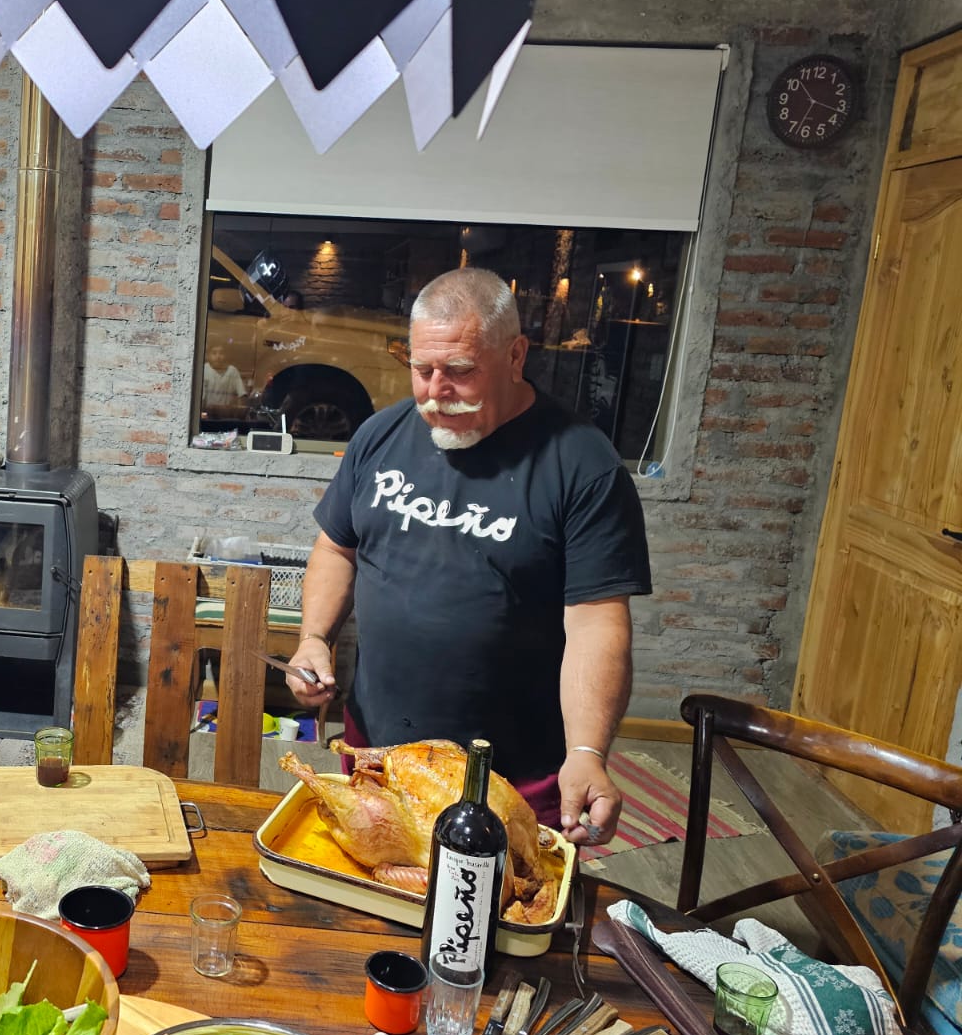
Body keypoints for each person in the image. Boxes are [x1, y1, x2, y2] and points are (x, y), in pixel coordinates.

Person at [284, 267, 651, 847]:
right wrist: (313, 638)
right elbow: (336, 548)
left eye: (459, 371)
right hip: (377, 747)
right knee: (373, 891)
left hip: (510, 772)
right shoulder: (379, 436)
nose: (436, 392)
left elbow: (597, 623)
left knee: (498, 900)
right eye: (421, 369)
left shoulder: (583, 466)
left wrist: (587, 751)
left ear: (516, 355)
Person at [200, 341, 248, 419]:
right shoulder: (203, 369)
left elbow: (242, 395)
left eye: (221, 353)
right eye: (214, 353)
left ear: (226, 355)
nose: (218, 357)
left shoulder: (232, 371)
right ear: (208, 356)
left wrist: (240, 416)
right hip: (207, 415)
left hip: (227, 416)